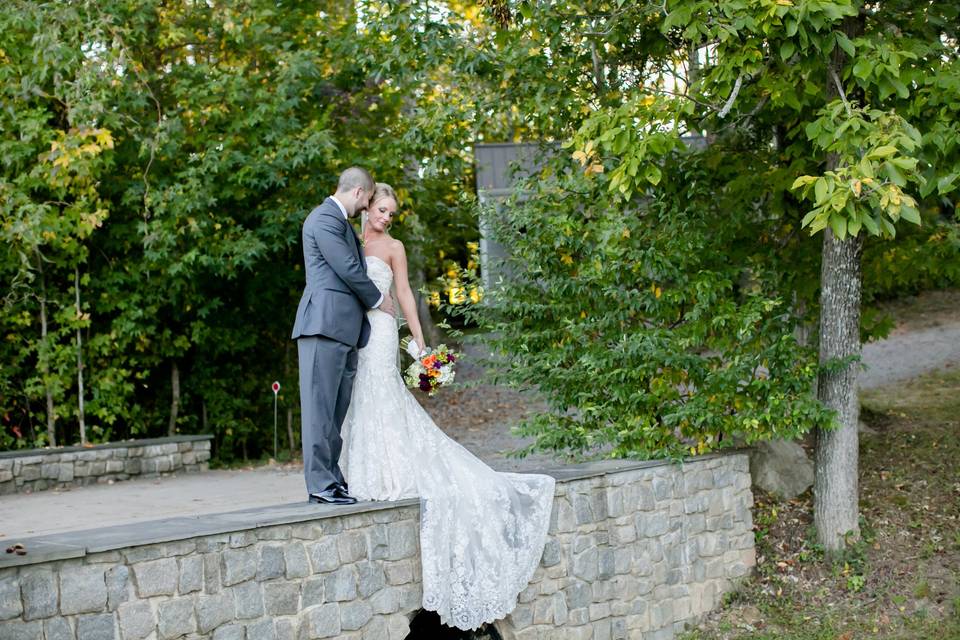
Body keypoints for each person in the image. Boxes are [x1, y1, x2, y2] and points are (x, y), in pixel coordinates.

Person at [340, 182, 556, 631]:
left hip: (380, 333)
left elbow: (403, 295)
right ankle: (362, 471)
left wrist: (420, 344)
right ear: (365, 205)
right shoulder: (347, 239)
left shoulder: (394, 247)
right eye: (381, 210)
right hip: (351, 333)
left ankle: (390, 472)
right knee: (360, 400)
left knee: (383, 394)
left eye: (391, 214)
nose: (385, 218)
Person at [291, 167, 395, 506]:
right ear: (359, 192)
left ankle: (332, 478)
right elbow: (348, 269)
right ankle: (320, 484)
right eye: (367, 201)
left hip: (345, 330)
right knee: (319, 410)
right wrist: (379, 299)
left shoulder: (341, 224)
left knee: (335, 413)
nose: (366, 208)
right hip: (323, 326)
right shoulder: (323, 220)